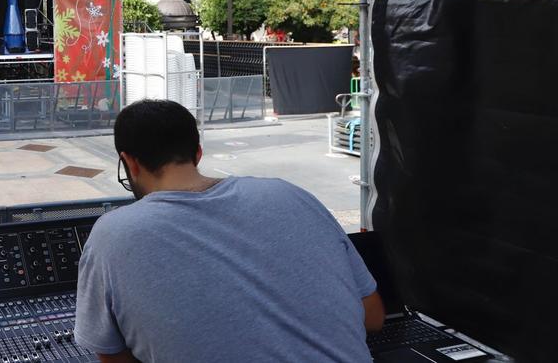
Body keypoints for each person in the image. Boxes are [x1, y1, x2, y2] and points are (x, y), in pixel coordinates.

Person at [75, 99, 384, 363]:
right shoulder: (291, 194)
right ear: (197, 153)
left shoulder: (112, 235)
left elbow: (111, 355)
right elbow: (373, 317)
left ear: (129, 162)